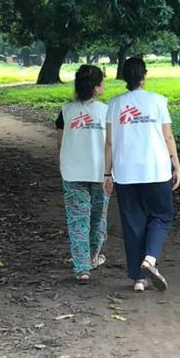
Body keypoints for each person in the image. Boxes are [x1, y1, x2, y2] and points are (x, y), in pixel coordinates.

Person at [103, 56, 180, 292]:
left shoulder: (114, 104)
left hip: (125, 171)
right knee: (162, 216)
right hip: (156, 169)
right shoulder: (158, 101)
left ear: (124, 76)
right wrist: (176, 163)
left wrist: (107, 173)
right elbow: (167, 136)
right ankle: (150, 259)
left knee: (132, 222)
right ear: (144, 76)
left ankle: (139, 279)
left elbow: (109, 142)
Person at [56, 64, 110, 284]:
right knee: (98, 218)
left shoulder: (65, 110)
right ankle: (93, 257)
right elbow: (111, 144)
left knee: (77, 221)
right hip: (100, 173)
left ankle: (82, 268)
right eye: (102, 83)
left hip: (72, 171)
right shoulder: (106, 111)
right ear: (96, 87)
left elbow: (59, 142)